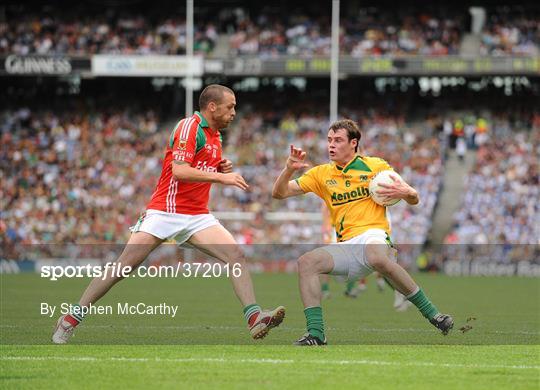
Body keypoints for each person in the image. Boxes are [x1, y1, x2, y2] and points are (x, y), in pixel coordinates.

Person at [52, 85, 285, 344]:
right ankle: (72, 317)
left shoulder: (216, 135)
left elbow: (199, 164)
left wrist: (219, 164)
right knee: (122, 268)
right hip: (166, 211)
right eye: (230, 106)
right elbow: (180, 171)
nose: (234, 112)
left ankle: (254, 318)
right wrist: (223, 176)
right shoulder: (188, 127)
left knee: (235, 255)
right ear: (212, 107)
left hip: (196, 215)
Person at [272, 119, 453, 346]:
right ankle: (316, 334)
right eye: (329, 140)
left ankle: (434, 315)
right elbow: (279, 193)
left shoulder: (376, 167)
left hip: (374, 234)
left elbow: (414, 198)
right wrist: (288, 168)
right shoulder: (321, 174)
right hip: (346, 245)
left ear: (353, 143)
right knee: (306, 262)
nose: (331, 145)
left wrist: (408, 192)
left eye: (338, 140)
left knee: (377, 256)